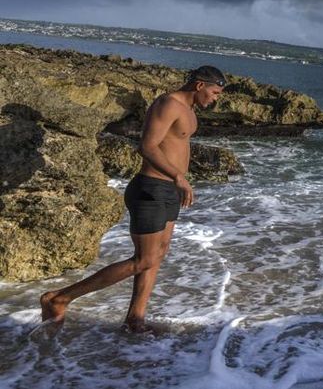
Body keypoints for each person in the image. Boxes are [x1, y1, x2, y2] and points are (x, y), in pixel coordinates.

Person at [40, 66, 226, 332]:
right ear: (199, 86)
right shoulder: (168, 104)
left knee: (157, 255)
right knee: (144, 259)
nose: (215, 99)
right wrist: (178, 176)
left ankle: (135, 319)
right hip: (150, 188)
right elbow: (147, 146)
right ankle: (58, 298)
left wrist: (178, 180)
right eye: (215, 92)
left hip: (168, 191)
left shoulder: (189, 109)